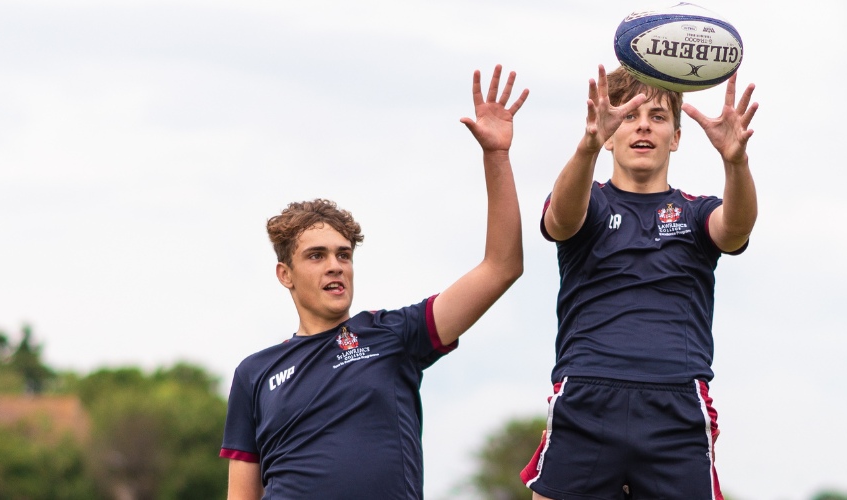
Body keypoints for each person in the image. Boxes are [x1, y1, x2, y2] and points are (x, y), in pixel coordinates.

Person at [220, 65, 529, 500]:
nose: (335, 266)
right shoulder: (255, 373)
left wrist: (496, 155)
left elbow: (501, 267)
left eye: (343, 255)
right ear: (284, 275)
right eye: (317, 256)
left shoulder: (394, 334)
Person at [520, 65, 759, 500]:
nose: (643, 124)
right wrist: (587, 147)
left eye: (658, 115)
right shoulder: (586, 199)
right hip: (587, 394)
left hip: (677, 403)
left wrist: (736, 162)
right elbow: (561, 220)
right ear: (610, 133)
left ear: (677, 137)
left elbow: (735, 229)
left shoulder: (695, 211)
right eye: (628, 115)